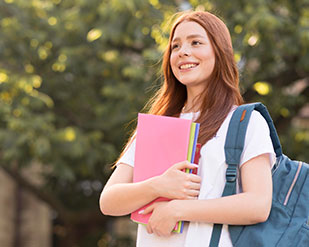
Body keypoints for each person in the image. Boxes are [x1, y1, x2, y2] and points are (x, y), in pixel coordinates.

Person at [99, 10, 275, 247]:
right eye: (175, 46)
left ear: (219, 52)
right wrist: (158, 185)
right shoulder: (157, 125)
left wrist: (179, 209)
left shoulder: (246, 122)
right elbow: (109, 201)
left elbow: (258, 205)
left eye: (196, 42)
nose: (183, 52)